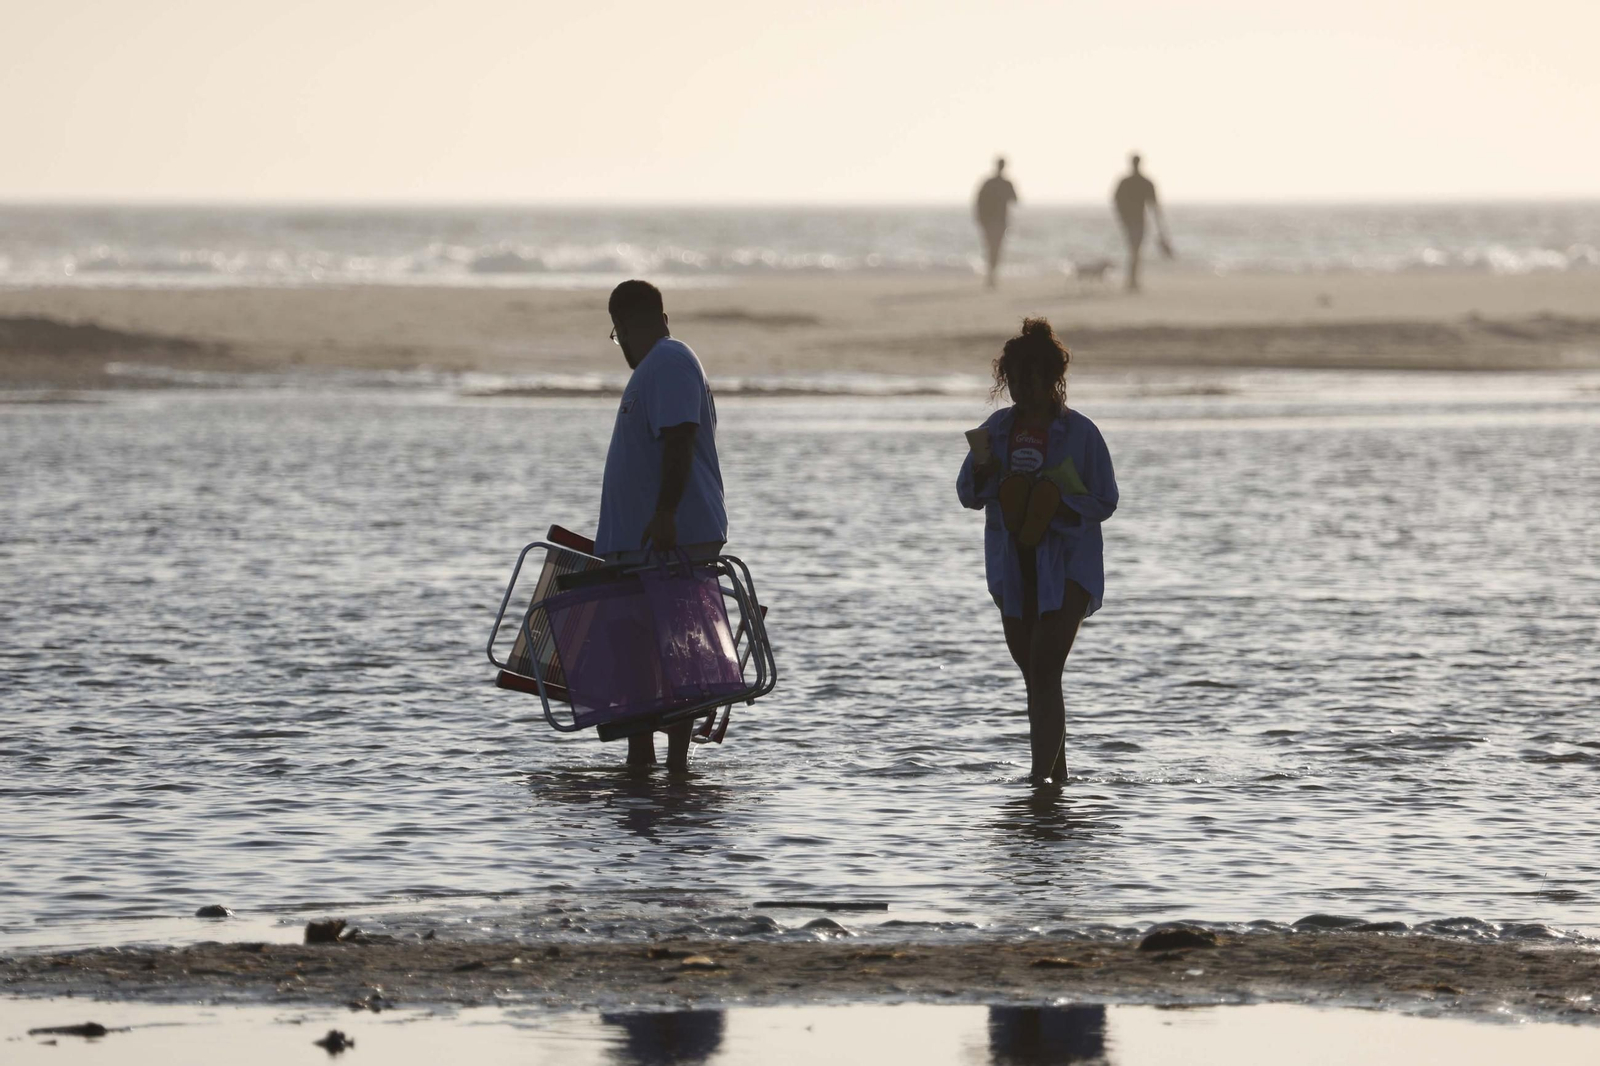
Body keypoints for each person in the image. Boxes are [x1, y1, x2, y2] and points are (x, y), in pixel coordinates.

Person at [957, 319, 1118, 786]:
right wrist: (992, 478)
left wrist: (1055, 502)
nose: (1023, 390)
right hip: (1013, 564)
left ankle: (1038, 786)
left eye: (1033, 380)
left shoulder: (1081, 434)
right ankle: (1056, 779)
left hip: (1067, 563)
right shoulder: (997, 429)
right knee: (1035, 676)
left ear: (1053, 380)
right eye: (1015, 380)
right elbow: (968, 493)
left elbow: (1105, 500)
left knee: (1046, 667)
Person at [597, 279, 728, 772]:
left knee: (675, 660)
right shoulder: (660, 365)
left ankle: (672, 771)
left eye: (616, 336)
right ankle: (651, 776)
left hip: (673, 539)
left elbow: (679, 438)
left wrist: (667, 513)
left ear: (625, 327)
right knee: (642, 664)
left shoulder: (669, 363)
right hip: (645, 545)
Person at [1112, 153, 1173, 292]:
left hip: (1135, 221)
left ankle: (1132, 280)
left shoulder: (1133, 182)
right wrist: (1160, 227)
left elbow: (1153, 206)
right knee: (1135, 250)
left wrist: (1122, 219)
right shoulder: (1139, 182)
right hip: (1135, 221)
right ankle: (1132, 280)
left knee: (1134, 250)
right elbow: (1154, 207)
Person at [974, 157, 1019, 288]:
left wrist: (980, 219)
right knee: (994, 249)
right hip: (995, 222)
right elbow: (1015, 200)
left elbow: (978, 202)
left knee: (992, 249)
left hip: (994, 222)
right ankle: (991, 276)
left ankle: (991, 276)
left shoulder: (992, 183)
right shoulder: (1001, 183)